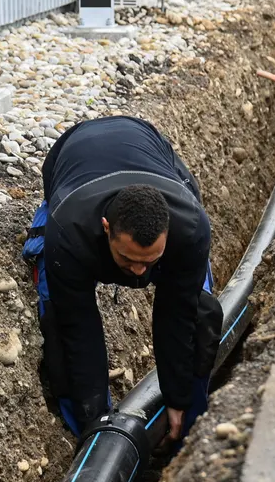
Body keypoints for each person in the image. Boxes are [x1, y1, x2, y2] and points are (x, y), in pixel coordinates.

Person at [22, 116, 221, 443]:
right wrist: (95, 417)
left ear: (168, 235)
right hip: (73, 157)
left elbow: (178, 315)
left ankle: (187, 429)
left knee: (199, 312)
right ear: (105, 229)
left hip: (148, 145)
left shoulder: (190, 226)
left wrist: (180, 398)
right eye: (128, 259)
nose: (140, 272)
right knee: (59, 320)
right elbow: (79, 328)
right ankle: (90, 437)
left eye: (150, 262)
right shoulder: (69, 232)